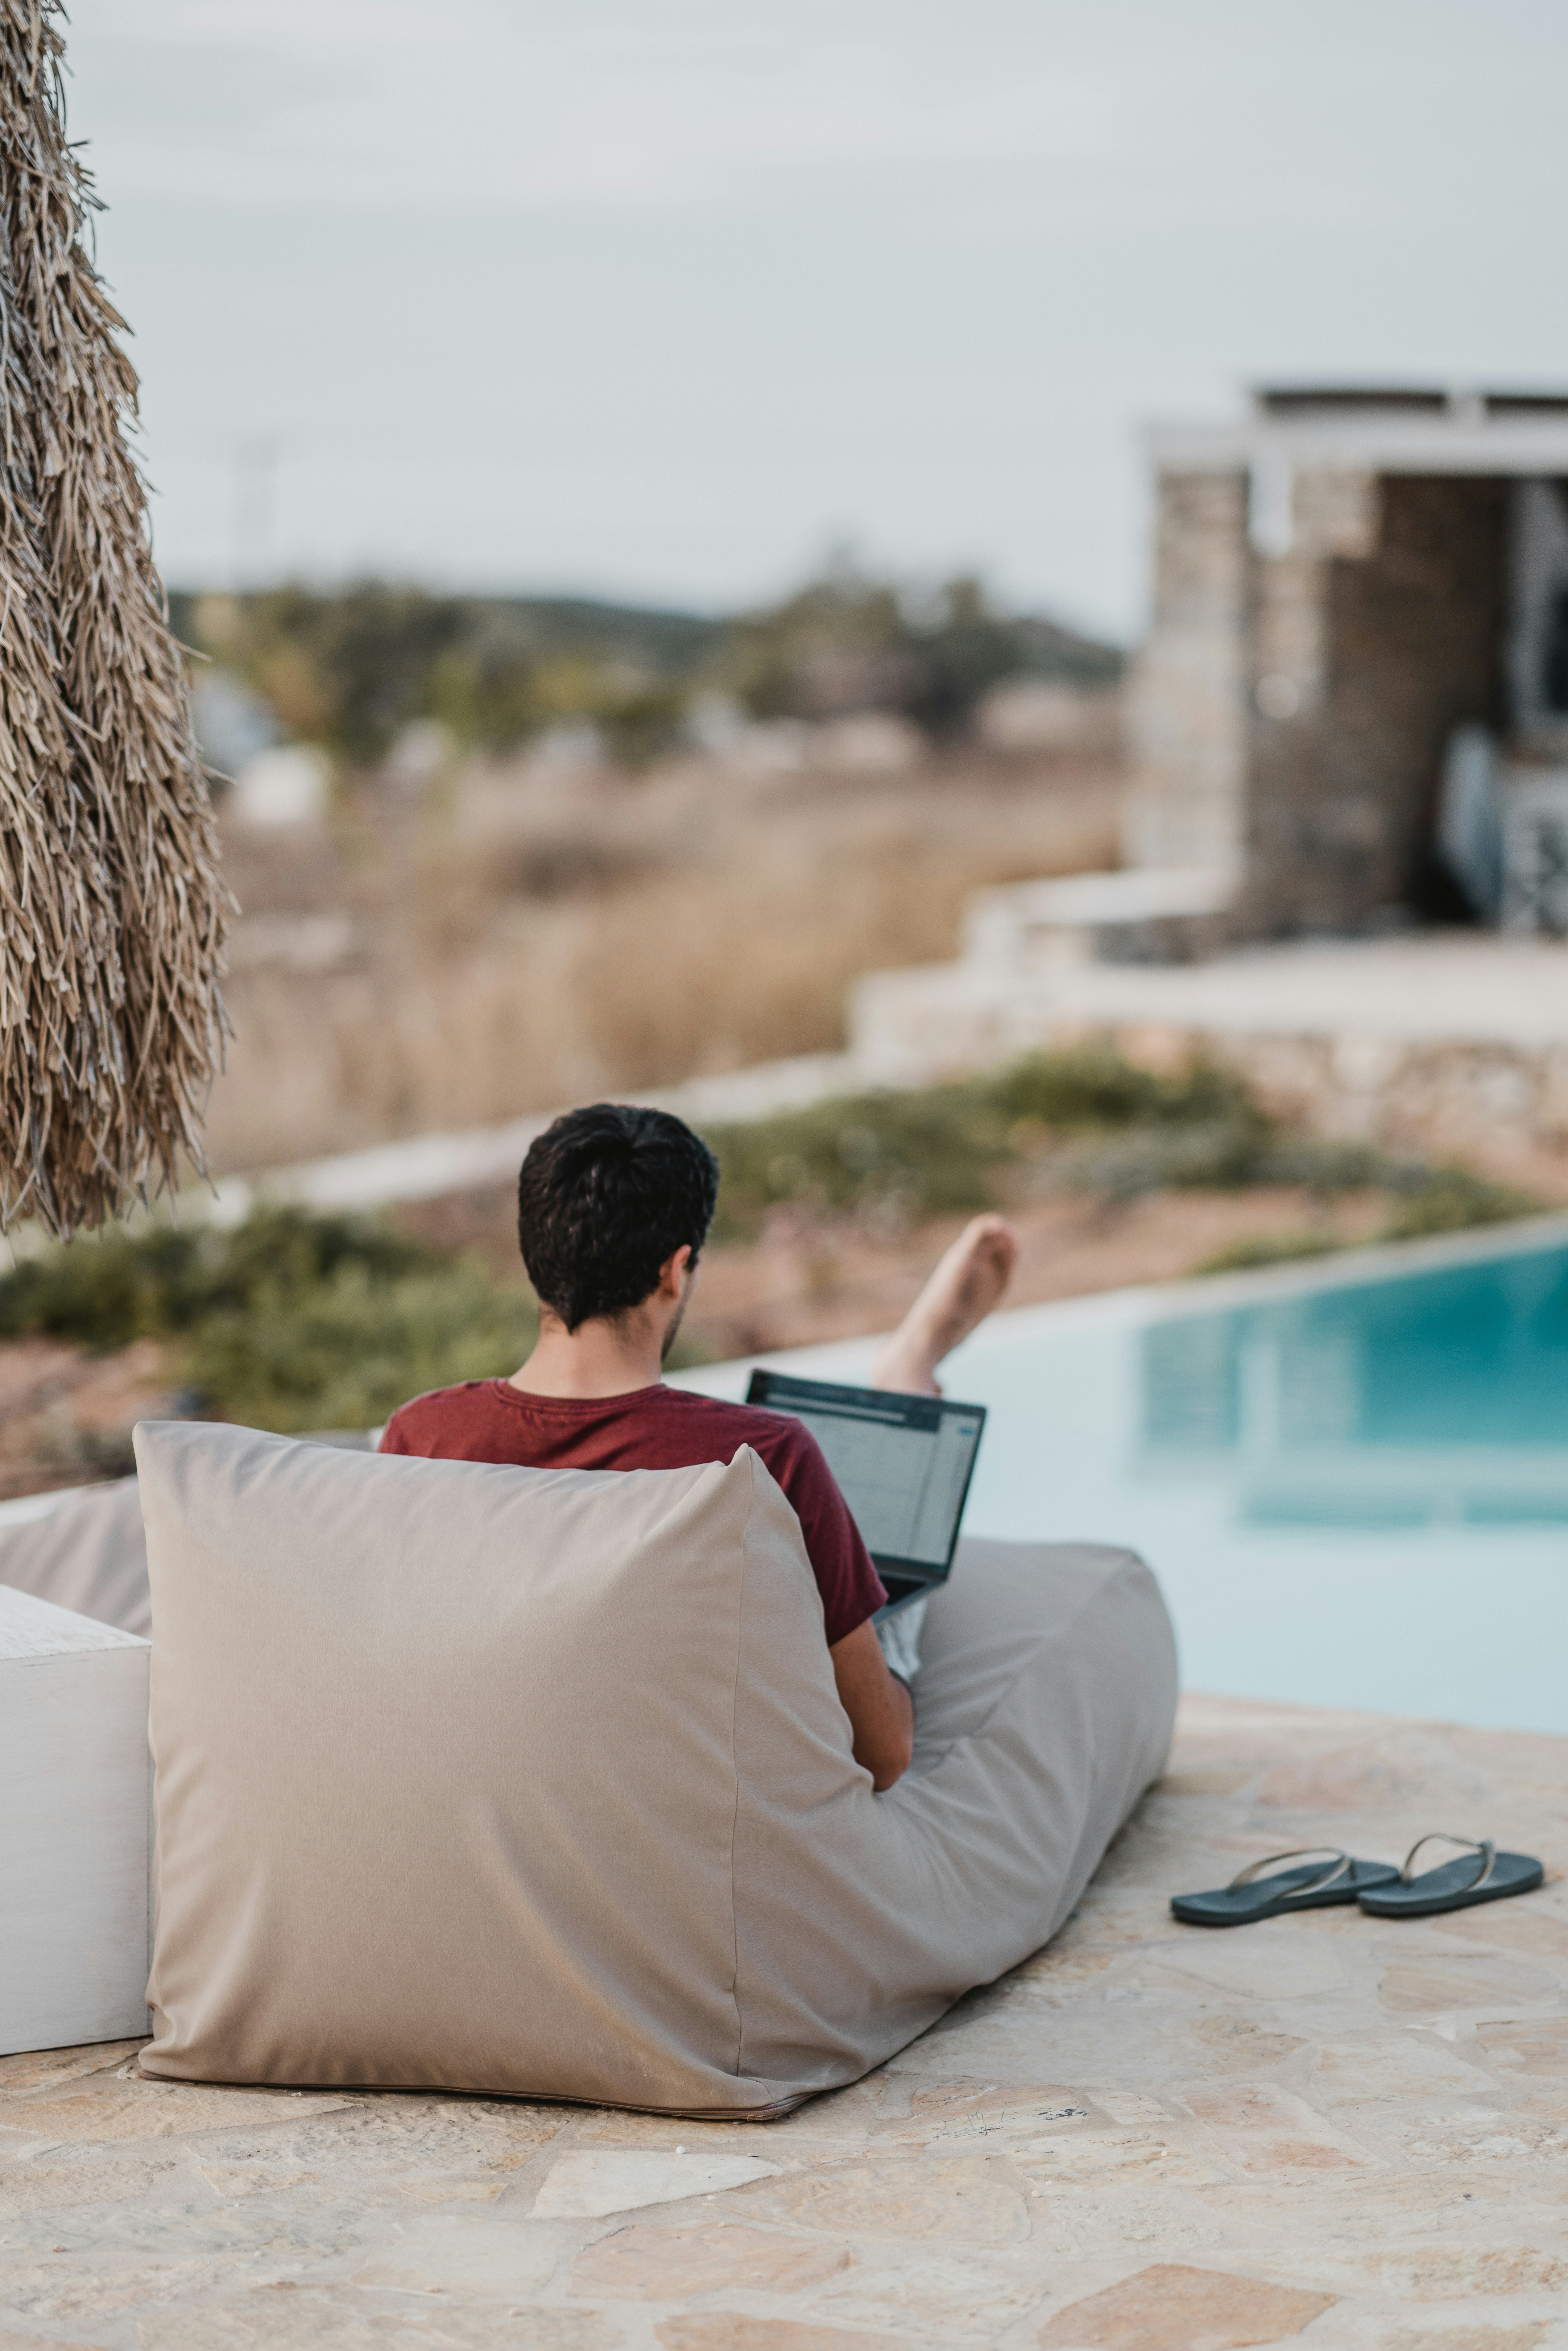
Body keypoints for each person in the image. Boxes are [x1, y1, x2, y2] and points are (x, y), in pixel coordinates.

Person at [380, 1103, 1018, 1793]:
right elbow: (883, 1753)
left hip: (495, 1784)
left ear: (536, 1254)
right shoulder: (759, 1458)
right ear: (675, 1271)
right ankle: (906, 1380)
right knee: (882, 1580)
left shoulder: (420, 1436)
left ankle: (904, 1379)